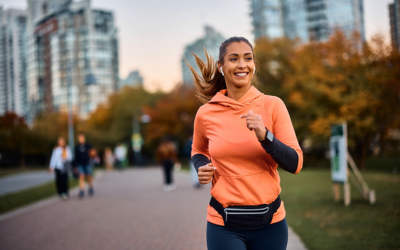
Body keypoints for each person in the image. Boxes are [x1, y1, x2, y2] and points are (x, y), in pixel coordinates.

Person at [187, 37, 303, 250]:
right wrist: (201, 166)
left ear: (254, 65)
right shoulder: (206, 113)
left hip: (271, 223)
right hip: (223, 224)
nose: (242, 64)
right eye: (234, 58)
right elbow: (198, 150)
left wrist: (265, 136)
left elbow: (295, 163)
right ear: (221, 67)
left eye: (247, 58)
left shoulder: (273, 106)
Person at [74, 132, 94, 199]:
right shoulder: (77, 147)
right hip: (80, 164)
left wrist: (93, 154)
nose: (81, 139)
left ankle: (91, 187)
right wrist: (75, 166)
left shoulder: (88, 145)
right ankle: (81, 190)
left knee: (89, 175)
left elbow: (92, 152)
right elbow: (76, 157)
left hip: (87, 163)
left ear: (84, 138)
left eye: (82, 137)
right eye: (79, 138)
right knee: (81, 176)